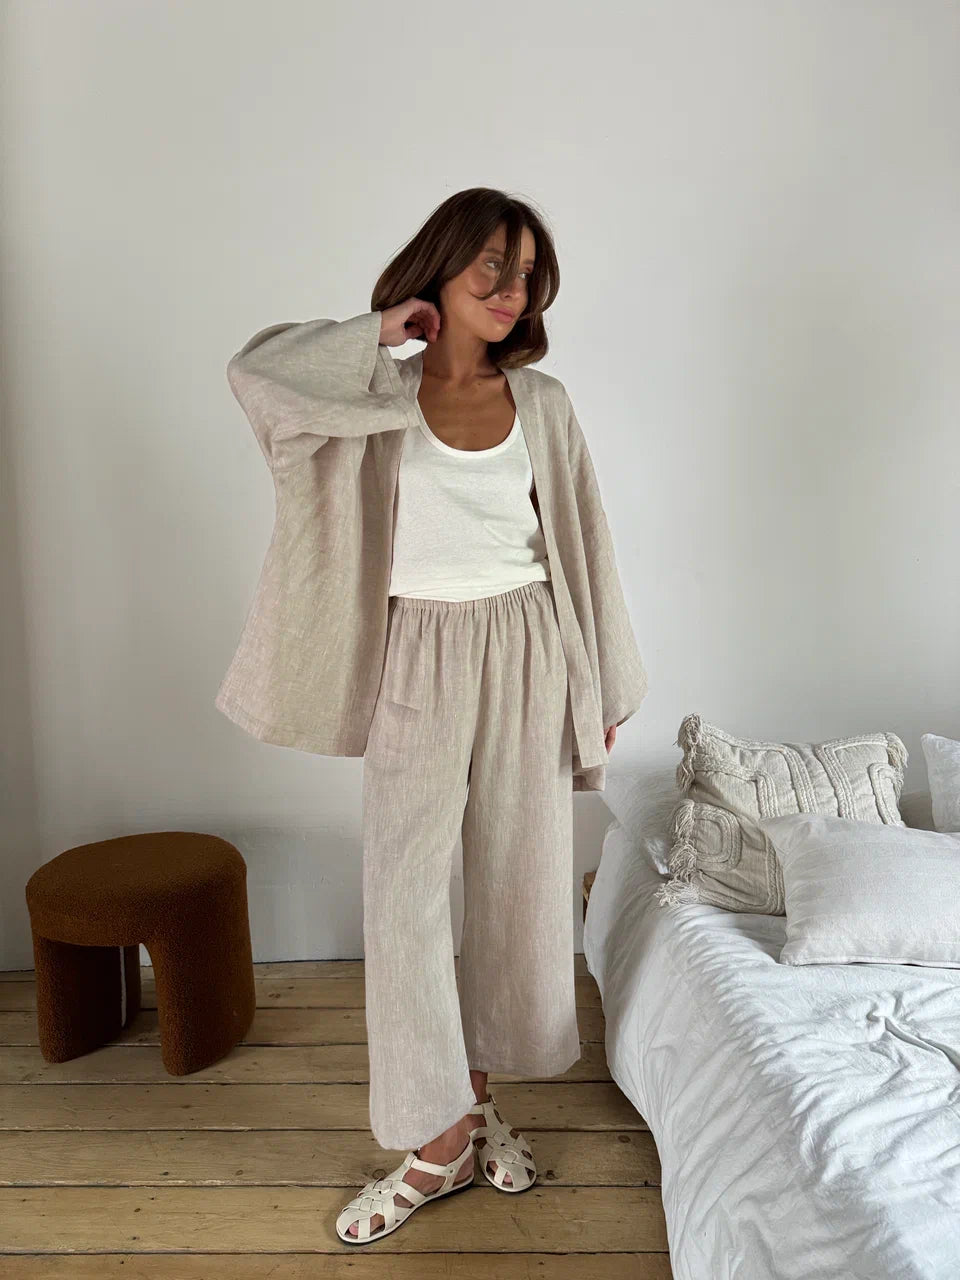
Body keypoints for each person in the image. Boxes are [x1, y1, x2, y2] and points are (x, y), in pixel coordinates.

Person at [215, 187, 648, 1244]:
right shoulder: (374, 398)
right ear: (440, 268)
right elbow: (257, 374)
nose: (511, 290)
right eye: (491, 265)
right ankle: (435, 1138)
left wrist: (596, 684)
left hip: (530, 645)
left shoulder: (543, 402)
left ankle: (476, 1100)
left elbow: (585, 543)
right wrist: (375, 333)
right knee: (404, 898)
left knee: (514, 884)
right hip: (415, 648)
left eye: (527, 274)